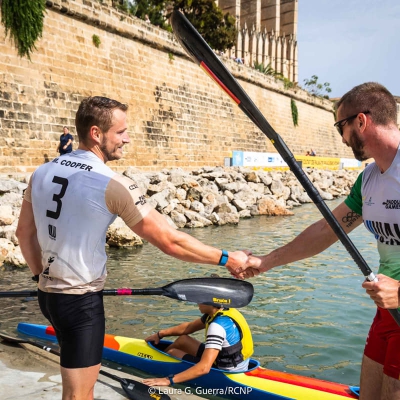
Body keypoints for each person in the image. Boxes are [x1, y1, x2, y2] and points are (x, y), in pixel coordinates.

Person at [15, 96, 260, 400]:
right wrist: (227, 258)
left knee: (73, 383)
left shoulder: (41, 172)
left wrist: (40, 277)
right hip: (81, 304)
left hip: (48, 297)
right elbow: (169, 240)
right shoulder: (111, 183)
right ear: (96, 133)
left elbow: (24, 233)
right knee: (79, 394)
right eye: (121, 132)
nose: (127, 139)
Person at [241, 82, 400, 400]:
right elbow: (327, 230)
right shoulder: (368, 179)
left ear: (361, 121)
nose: (341, 139)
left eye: (341, 127)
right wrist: (265, 262)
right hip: (387, 312)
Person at [142, 303, 253, 387]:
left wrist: (168, 380)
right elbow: (189, 327)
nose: (197, 303)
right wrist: (160, 334)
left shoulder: (217, 326)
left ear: (211, 302)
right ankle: (158, 358)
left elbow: (204, 368)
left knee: (173, 352)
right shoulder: (225, 310)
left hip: (227, 371)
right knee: (183, 340)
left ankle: (155, 363)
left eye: (200, 299)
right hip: (234, 360)